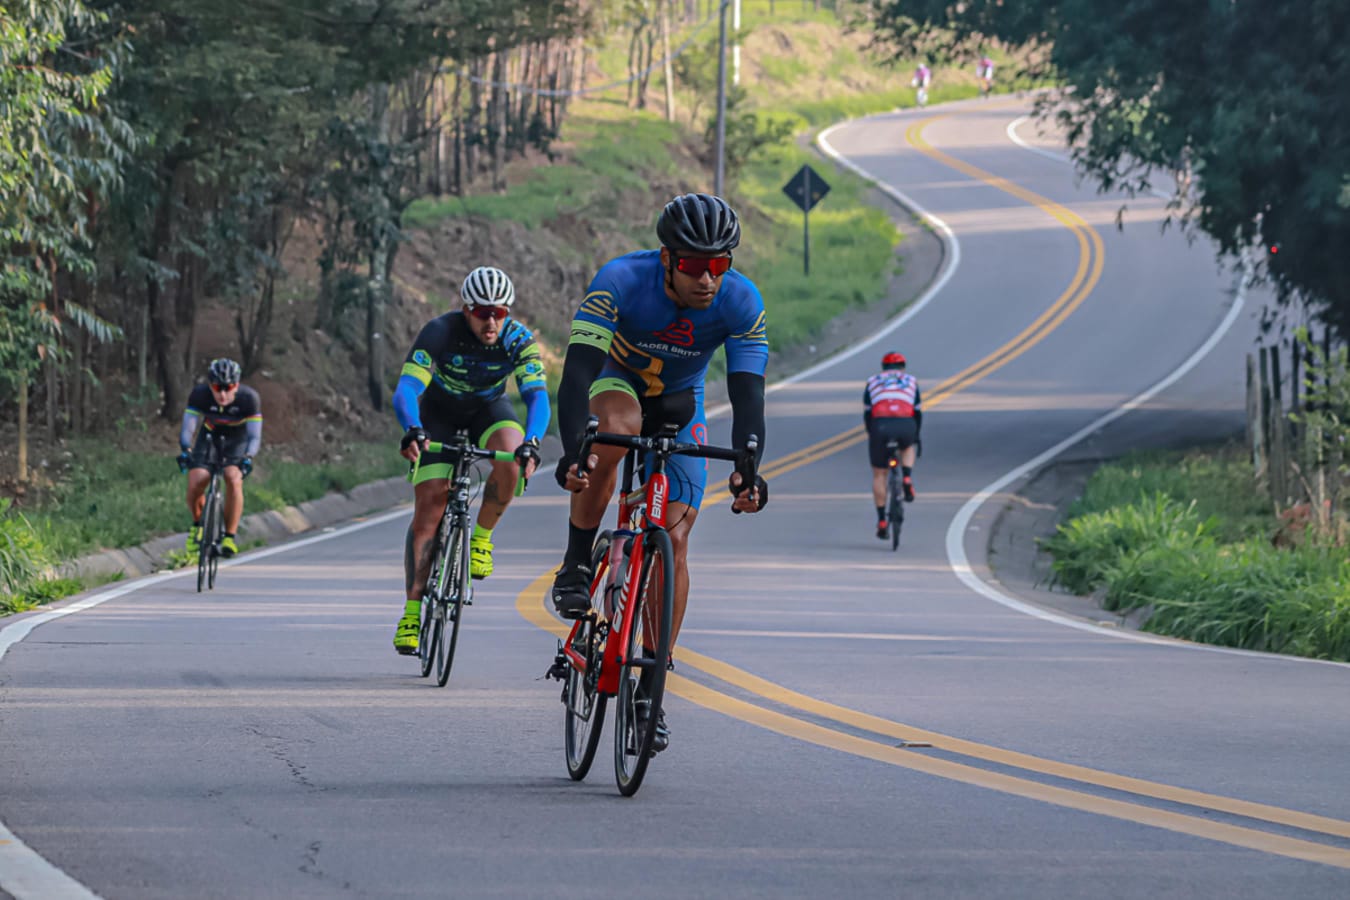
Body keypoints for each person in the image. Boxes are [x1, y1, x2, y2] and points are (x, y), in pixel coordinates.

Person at [550, 192, 769, 753]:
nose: (708, 279)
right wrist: (575, 450)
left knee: (675, 535)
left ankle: (652, 684)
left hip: (680, 400)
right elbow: (576, 376)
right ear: (668, 259)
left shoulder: (742, 301)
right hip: (616, 379)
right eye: (695, 265)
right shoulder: (620, 280)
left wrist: (748, 467)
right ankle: (577, 563)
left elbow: (748, 395)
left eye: (720, 264)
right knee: (615, 429)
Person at [391, 265, 548, 656]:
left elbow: (537, 397)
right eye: (482, 312)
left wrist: (532, 442)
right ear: (466, 310)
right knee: (430, 507)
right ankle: (412, 612)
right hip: (439, 413)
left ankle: (480, 540)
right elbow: (407, 388)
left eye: (499, 312)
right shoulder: (440, 331)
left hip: (488, 409)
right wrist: (413, 428)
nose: (491, 321)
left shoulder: (518, 339)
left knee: (512, 458)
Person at [176, 357, 262, 559]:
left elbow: (254, 436)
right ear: (210, 385)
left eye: (228, 388)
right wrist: (186, 449)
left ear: (236, 385)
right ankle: (197, 524)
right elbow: (188, 427)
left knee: (233, 478)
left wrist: (248, 456)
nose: (222, 394)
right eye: (217, 388)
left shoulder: (249, 398)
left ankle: (229, 537)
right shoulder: (200, 395)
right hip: (210, 436)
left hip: (237, 439)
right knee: (197, 479)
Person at [864, 351, 922, 540]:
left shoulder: (873, 381)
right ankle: (906, 476)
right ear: (903, 367)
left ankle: (882, 520)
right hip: (905, 424)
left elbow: (868, 413)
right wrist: (916, 436)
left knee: (879, 474)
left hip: (880, 425)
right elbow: (917, 412)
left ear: (883, 368)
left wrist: (872, 434)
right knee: (908, 446)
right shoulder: (911, 381)